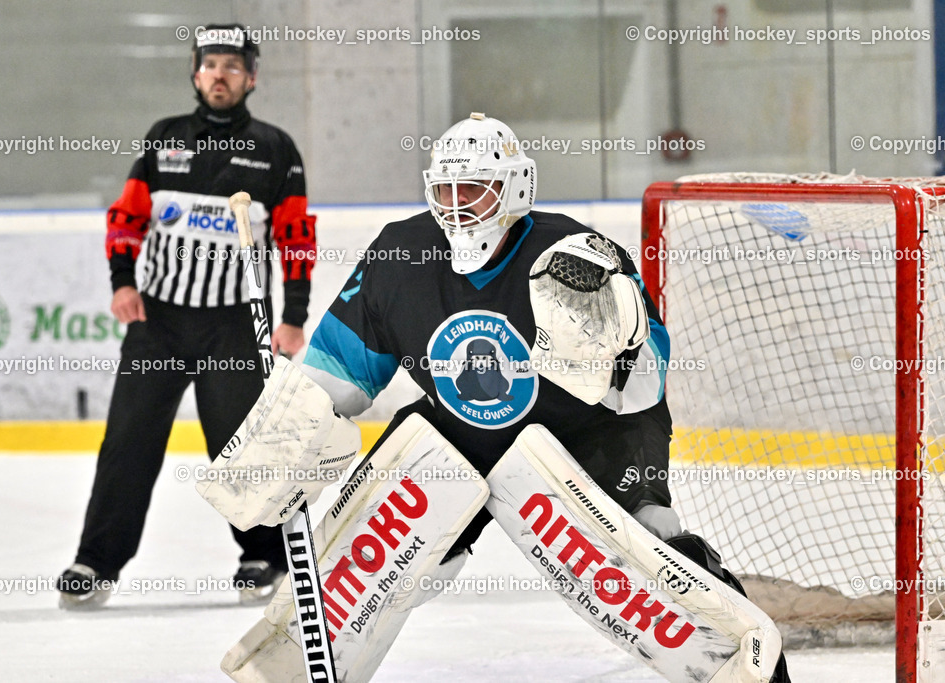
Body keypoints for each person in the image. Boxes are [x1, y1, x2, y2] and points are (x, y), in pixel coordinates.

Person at [297, 113, 789, 680]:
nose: (457, 205)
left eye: (474, 188)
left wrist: (610, 352)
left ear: (514, 189)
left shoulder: (579, 256)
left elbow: (643, 386)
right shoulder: (400, 254)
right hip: (459, 432)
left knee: (653, 550)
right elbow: (338, 372)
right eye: (445, 189)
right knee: (380, 566)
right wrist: (296, 434)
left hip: (586, 431)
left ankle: (748, 665)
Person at [58, 23, 316, 608]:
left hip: (235, 327)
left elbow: (297, 236)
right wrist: (122, 283)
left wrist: (294, 315)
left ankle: (263, 555)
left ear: (251, 77)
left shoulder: (275, 148)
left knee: (241, 448)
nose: (219, 75)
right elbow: (127, 218)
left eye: (232, 66)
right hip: (159, 325)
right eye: (209, 65)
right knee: (128, 442)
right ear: (195, 74)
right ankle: (96, 562)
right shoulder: (164, 138)